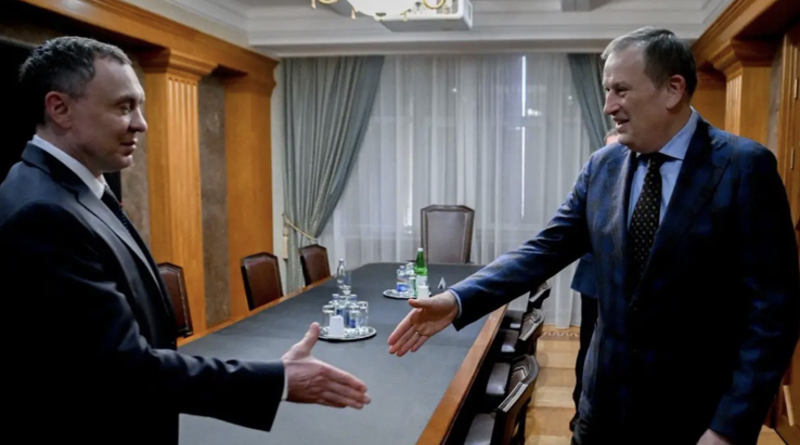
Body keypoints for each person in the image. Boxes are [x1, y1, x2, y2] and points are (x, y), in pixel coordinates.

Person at [388, 27, 800, 445]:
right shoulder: (603, 165)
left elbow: (773, 314)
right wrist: (459, 299)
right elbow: (544, 250)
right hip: (602, 408)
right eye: (606, 91)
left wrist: (728, 428)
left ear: (673, 89)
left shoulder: (743, 168)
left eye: (621, 90)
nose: (608, 106)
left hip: (695, 416)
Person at [0, 36, 370, 444]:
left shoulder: (70, 190)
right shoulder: (43, 213)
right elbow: (124, 367)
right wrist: (278, 380)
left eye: (139, 106)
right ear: (60, 109)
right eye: (123, 107)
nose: (141, 123)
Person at [568, 127, 620, 432]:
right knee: (588, 346)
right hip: (593, 281)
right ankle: (581, 410)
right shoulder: (595, 184)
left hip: (629, 288)